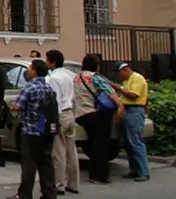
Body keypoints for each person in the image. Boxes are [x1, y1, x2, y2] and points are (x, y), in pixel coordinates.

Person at [10, 59, 57, 199]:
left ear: (35, 71)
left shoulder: (29, 87)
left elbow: (18, 105)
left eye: (30, 68)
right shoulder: (48, 88)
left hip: (31, 129)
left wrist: (13, 107)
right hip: (46, 129)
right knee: (46, 163)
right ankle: (49, 193)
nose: (29, 71)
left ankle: (25, 193)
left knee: (29, 164)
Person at [72, 54, 122, 184]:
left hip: (81, 115)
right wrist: (120, 105)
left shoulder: (76, 77)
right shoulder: (95, 77)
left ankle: (92, 174)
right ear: (96, 66)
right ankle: (100, 176)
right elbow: (109, 91)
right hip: (96, 114)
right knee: (101, 145)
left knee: (93, 144)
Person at [45, 50, 79, 194]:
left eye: (47, 60)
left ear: (52, 62)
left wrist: (53, 120)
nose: (46, 63)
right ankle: (73, 183)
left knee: (58, 152)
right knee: (72, 150)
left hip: (60, 115)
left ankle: (59, 184)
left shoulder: (54, 78)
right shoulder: (68, 75)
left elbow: (55, 100)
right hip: (69, 113)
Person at [112, 62, 150, 182]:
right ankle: (134, 169)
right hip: (128, 111)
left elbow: (133, 95)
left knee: (135, 141)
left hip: (135, 111)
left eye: (119, 74)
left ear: (124, 70)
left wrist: (118, 88)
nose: (119, 77)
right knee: (128, 143)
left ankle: (143, 171)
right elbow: (123, 99)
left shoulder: (137, 78)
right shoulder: (126, 81)